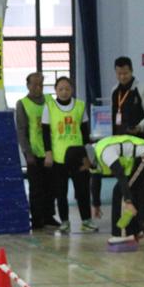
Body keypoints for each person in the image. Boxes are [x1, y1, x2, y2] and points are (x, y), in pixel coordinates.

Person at [42, 76, 97, 233]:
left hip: (79, 156)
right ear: (56, 91)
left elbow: (85, 134)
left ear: (72, 89)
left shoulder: (80, 106)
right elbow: (46, 133)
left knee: (83, 190)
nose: (64, 92)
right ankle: (65, 221)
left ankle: (86, 220)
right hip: (59, 158)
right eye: (60, 89)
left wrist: (88, 156)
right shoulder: (49, 106)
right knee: (61, 192)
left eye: (67, 88)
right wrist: (48, 154)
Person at [88, 134, 144, 243]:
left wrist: (128, 200)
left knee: (120, 192)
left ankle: (122, 234)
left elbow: (120, 175)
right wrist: (96, 204)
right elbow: (95, 180)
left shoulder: (105, 152)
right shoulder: (92, 159)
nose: (82, 169)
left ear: (83, 159)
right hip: (139, 159)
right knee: (127, 190)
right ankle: (136, 230)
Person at [16, 72, 57, 229]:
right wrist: (27, 152)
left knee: (51, 186)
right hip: (33, 153)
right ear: (28, 85)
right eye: (35, 84)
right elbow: (21, 130)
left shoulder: (49, 100)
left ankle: (49, 216)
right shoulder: (22, 104)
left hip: (50, 151)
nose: (38, 87)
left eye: (41, 84)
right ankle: (37, 219)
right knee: (36, 188)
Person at [111, 56, 144, 137]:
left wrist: (140, 127)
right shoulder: (114, 91)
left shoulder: (142, 89)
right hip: (118, 139)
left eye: (125, 73)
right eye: (119, 74)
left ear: (131, 71)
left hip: (139, 139)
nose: (122, 77)